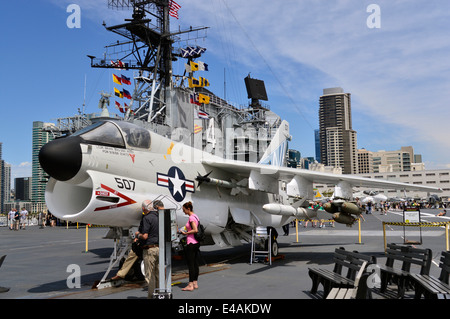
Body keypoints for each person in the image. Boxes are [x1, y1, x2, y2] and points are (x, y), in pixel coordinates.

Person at [135, 199, 164, 298]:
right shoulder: (159, 216)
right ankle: (160, 295)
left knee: (150, 275)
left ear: (143, 208)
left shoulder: (146, 218)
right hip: (159, 248)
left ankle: (151, 296)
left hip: (149, 249)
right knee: (158, 274)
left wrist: (138, 235)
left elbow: (145, 236)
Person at [180, 201, 200, 291]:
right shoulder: (196, 216)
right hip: (196, 242)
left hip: (191, 243)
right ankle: (195, 282)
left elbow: (195, 230)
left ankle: (190, 284)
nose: (183, 212)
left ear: (188, 209)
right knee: (195, 263)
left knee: (191, 264)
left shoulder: (191, 218)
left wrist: (186, 233)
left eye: (184, 210)